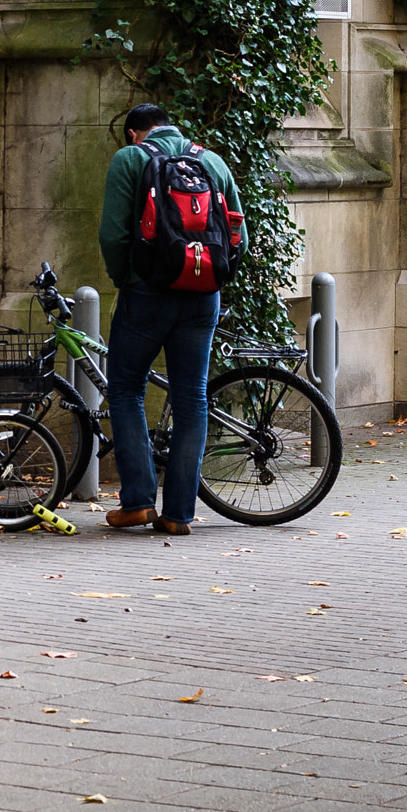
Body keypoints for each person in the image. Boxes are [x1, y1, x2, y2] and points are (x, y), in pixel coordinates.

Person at [96, 104, 246, 537]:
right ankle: (178, 514)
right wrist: (210, 277)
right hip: (202, 298)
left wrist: (126, 278)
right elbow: (240, 234)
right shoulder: (211, 160)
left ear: (133, 133)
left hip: (146, 293)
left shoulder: (131, 158)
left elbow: (113, 233)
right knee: (192, 399)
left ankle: (138, 503)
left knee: (126, 390)